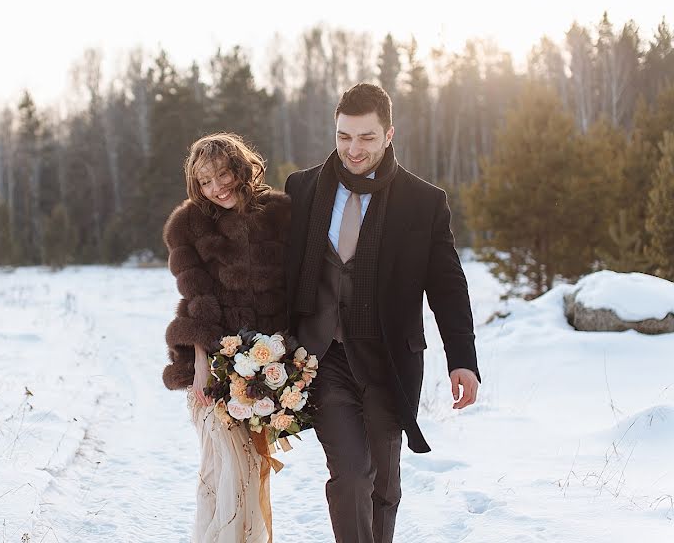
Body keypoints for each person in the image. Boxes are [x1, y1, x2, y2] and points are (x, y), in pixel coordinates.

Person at [284, 83, 481, 543]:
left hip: (388, 361)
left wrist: (463, 360)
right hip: (322, 357)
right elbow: (275, 271)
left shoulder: (424, 202)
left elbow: (449, 287)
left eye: (367, 138)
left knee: (384, 484)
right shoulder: (303, 188)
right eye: (344, 136)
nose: (354, 150)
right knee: (352, 473)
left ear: (389, 134)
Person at [161, 132, 291, 543]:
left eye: (222, 175)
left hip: (264, 367)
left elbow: (295, 289)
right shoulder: (190, 225)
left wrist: (286, 361)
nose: (215, 188)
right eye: (204, 181)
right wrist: (201, 361)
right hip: (211, 365)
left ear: (240, 169)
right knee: (225, 471)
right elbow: (197, 298)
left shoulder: (279, 215)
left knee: (251, 470)